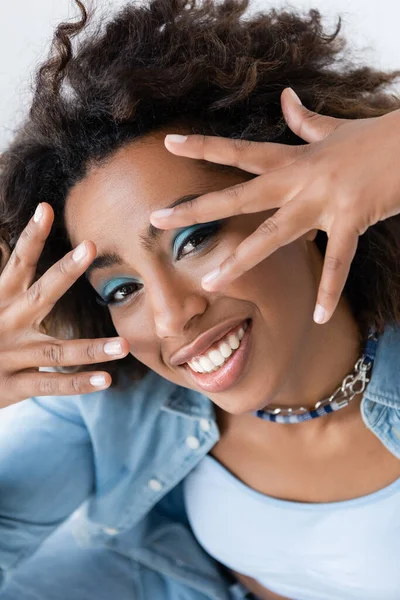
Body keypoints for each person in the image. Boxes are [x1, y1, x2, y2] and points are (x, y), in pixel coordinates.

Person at [0, 0, 400, 599]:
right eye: (123, 289)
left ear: (310, 205)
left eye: (195, 238)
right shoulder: (115, 405)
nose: (169, 315)